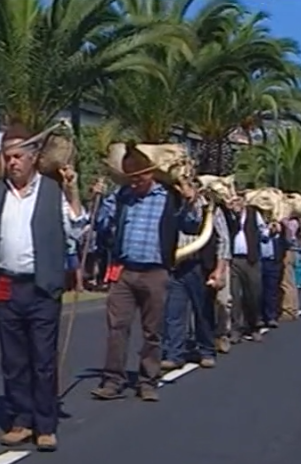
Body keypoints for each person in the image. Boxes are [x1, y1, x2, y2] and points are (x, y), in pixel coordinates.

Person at [0, 121, 86, 452]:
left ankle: (45, 424)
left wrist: (74, 192)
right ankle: (20, 419)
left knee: (42, 358)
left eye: (17, 156)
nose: (12, 162)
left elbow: (76, 230)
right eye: (7, 157)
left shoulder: (52, 191)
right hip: (7, 286)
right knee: (13, 359)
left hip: (43, 287)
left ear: (33, 157)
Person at [89, 144, 201, 402]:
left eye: (140, 177)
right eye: (131, 178)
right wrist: (99, 200)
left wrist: (190, 201)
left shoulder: (170, 197)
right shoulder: (121, 196)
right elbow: (102, 227)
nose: (136, 182)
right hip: (124, 272)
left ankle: (148, 381)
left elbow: (191, 226)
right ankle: (112, 380)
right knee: (117, 327)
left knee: (153, 330)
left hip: (156, 272)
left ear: (151, 174)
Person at [162, 186, 230, 370]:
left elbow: (223, 239)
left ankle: (206, 350)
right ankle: (174, 354)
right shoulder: (173, 205)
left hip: (201, 266)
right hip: (177, 266)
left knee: (202, 311)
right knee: (173, 312)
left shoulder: (211, 208)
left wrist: (219, 269)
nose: (184, 188)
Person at [221, 195, 267, 344]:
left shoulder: (254, 214)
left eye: (239, 200)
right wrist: (232, 214)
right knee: (235, 296)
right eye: (233, 201)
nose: (236, 203)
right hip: (234, 259)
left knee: (253, 294)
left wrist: (272, 230)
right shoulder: (228, 215)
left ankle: (254, 326)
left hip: (251, 260)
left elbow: (264, 232)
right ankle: (236, 329)